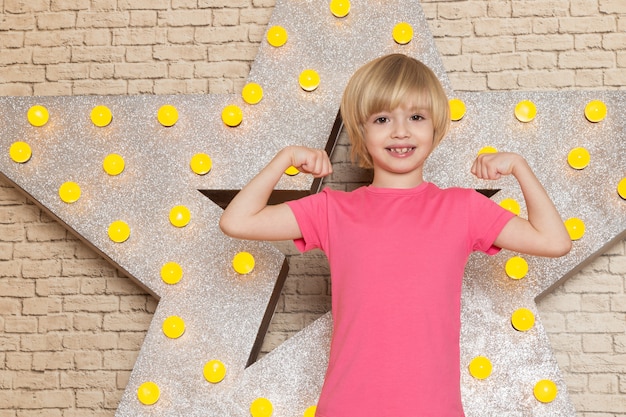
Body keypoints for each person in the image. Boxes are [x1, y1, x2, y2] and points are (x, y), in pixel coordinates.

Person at [219, 54, 571, 416]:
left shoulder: (463, 208)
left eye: (416, 117)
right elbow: (238, 221)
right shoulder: (332, 210)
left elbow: (554, 241)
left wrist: (520, 168)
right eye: (383, 118)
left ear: (436, 126)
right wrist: (284, 158)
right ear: (361, 130)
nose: (400, 131)